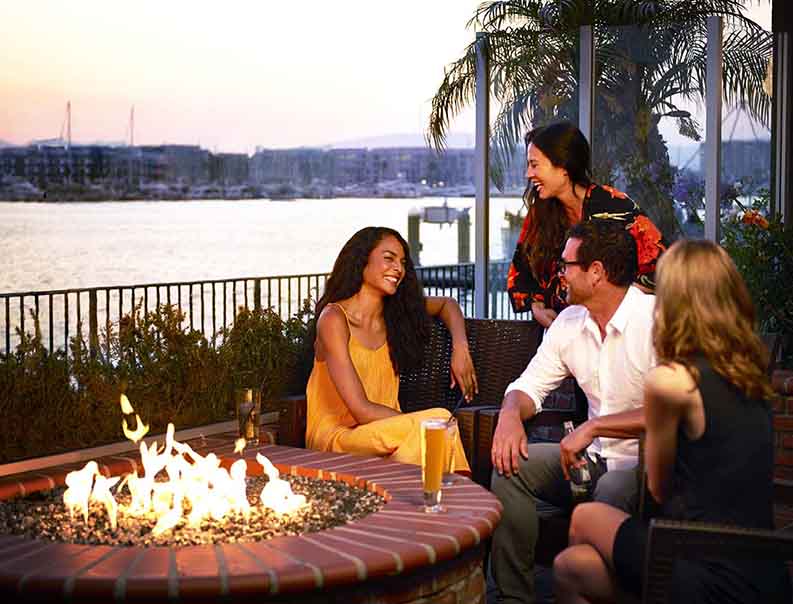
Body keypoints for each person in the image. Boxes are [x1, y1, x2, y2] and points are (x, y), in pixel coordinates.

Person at [553, 239, 792, 604]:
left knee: (584, 517)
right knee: (573, 566)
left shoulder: (671, 381)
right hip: (760, 567)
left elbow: (659, 489)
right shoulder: (749, 372)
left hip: (700, 563)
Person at [490, 220, 656, 604]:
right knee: (511, 465)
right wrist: (510, 415)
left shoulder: (655, 320)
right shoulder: (569, 322)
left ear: (596, 272)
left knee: (612, 487)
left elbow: (675, 411)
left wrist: (595, 426)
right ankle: (515, 597)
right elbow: (527, 387)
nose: (559, 273)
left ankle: (594, 588)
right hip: (588, 461)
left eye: (566, 265)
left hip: (643, 467)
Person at [305, 226, 477, 471]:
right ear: (362, 260)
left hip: (389, 438)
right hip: (337, 438)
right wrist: (421, 423)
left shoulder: (394, 317)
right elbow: (361, 410)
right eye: (389, 258)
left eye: (402, 262)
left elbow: (447, 305)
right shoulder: (334, 318)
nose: (398, 268)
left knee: (431, 431)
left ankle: (411, 496)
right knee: (438, 423)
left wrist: (461, 349)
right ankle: (459, 501)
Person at [507, 121, 667, 328]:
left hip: (614, 331)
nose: (528, 174)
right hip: (557, 333)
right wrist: (536, 306)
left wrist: (615, 300)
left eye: (534, 165)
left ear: (563, 167)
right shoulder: (541, 213)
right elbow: (520, 272)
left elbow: (663, 268)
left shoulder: (615, 206)